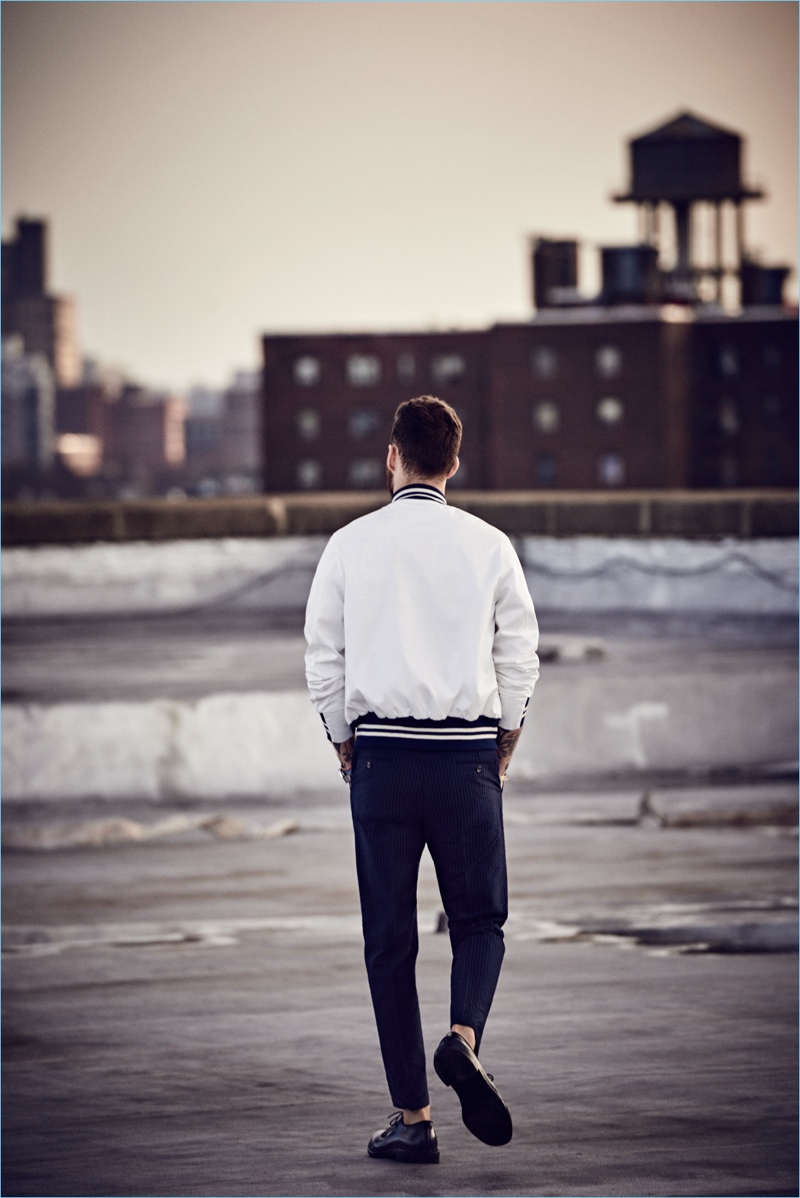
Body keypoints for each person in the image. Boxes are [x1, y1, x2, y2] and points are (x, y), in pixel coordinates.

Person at [304, 395, 539, 1164]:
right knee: (480, 923)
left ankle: (414, 1119)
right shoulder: (490, 545)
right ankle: (463, 1036)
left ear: (393, 458)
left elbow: (323, 655)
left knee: (389, 944)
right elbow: (519, 652)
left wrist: (343, 738)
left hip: (383, 764)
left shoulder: (348, 545)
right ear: (455, 464)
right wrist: (506, 736)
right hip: (467, 758)